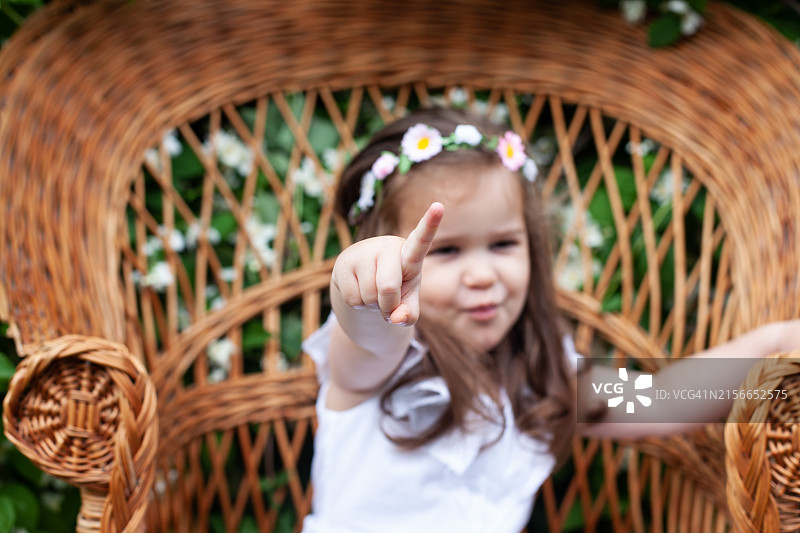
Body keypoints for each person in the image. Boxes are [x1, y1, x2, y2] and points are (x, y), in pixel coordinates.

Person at [299, 107, 799, 533]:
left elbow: (662, 398)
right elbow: (366, 332)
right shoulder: (377, 364)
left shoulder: (541, 379)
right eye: (445, 250)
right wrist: (366, 280)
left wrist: (779, 342)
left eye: (503, 244)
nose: (483, 274)